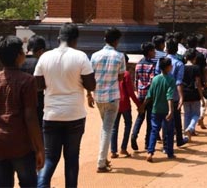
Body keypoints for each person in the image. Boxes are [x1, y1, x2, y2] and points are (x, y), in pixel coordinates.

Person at [35, 23, 95, 188]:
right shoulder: (81, 56)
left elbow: (38, 85)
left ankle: (40, 186)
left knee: (50, 158)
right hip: (74, 114)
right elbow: (91, 85)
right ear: (76, 40)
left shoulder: (45, 57)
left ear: (58, 38)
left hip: (51, 114)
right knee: (71, 158)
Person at [0, 35, 45, 188]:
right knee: (28, 183)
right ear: (19, 55)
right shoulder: (27, 81)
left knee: (2, 184)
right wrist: (39, 148)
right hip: (21, 144)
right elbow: (31, 117)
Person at [90, 27, 127, 172]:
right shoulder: (119, 56)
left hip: (98, 96)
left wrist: (88, 94)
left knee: (105, 127)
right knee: (107, 129)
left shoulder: (94, 56)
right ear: (116, 41)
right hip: (112, 97)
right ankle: (101, 162)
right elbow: (121, 77)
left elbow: (89, 76)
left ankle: (104, 157)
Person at [141, 57, 176, 162]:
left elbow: (149, 95)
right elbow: (169, 96)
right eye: (170, 65)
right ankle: (169, 152)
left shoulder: (155, 79)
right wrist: (171, 110)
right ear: (167, 67)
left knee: (154, 131)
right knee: (169, 132)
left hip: (155, 110)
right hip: (165, 110)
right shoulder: (171, 79)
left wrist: (142, 106)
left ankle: (150, 152)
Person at [111, 54, 140, 159]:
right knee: (128, 124)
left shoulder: (112, 74)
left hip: (114, 102)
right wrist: (138, 104)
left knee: (114, 127)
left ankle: (113, 151)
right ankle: (123, 148)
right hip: (125, 104)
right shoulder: (126, 74)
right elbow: (131, 92)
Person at [130, 42, 157, 150]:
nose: (155, 53)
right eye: (153, 51)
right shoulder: (151, 65)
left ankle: (134, 135)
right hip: (149, 95)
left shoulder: (138, 64)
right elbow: (152, 82)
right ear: (149, 52)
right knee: (150, 119)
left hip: (140, 94)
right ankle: (147, 142)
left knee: (140, 116)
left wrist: (138, 94)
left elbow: (136, 81)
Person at [164, 39, 188, 148]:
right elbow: (179, 82)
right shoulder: (179, 63)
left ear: (167, 48)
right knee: (177, 118)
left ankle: (166, 144)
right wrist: (181, 97)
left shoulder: (162, 61)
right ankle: (179, 139)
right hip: (174, 95)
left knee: (165, 119)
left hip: (163, 94)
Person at [20, 35, 47, 127]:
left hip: (20, 104)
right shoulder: (41, 63)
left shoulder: (18, 62)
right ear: (41, 51)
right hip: (37, 105)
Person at [181, 49, 205, 139]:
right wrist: (202, 97)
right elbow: (198, 83)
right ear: (194, 58)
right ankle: (191, 128)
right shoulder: (196, 68)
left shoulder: (182, 67)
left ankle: (186, 135)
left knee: (187, 114)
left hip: (185, 93)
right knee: (196, 114)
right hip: (194, 93)